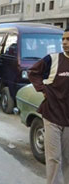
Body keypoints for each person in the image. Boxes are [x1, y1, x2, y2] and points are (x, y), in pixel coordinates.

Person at [28, 29, 69, 184]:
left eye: (68, 39)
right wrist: (43, 89)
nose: (64, 42)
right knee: (54, 158)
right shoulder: (53, 59)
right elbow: (33, 72)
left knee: (67, 159)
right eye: (63, 39)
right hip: (52, 115)